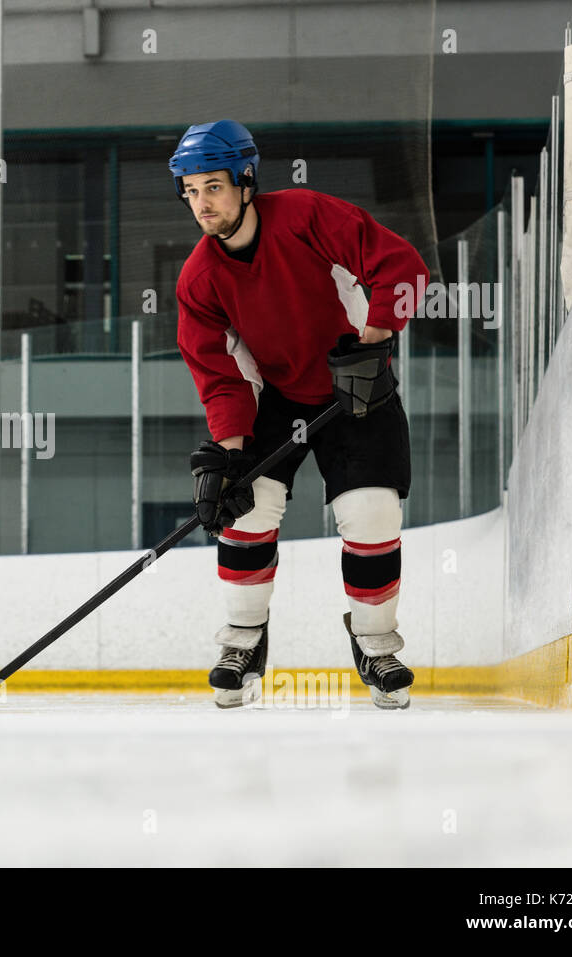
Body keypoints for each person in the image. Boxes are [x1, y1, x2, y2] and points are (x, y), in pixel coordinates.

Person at [169, 120, 430, 710]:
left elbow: (406, 268)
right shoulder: (198, 279)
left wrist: (372, 343)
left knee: (370, 513)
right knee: (246, 511)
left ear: (245, 181)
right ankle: (242, 641)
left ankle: (376, 646)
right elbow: (220, 374)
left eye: (212, 187)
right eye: (190, 191)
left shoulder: (307, 215)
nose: (201, 203)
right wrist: (230, 457)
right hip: (277, 399)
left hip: (356, 388)